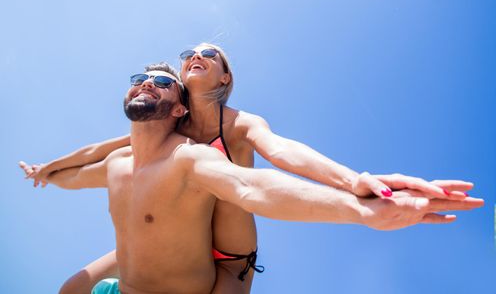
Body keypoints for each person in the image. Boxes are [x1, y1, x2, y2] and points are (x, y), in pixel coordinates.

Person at [23, 46, 475, 293]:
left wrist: (356, 192)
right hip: (161, 241)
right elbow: (96, 153)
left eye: (210, 54)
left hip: (229, 258)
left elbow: (265, 172)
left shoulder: (223, 134)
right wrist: (47, 169)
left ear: (221, 81)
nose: (195, 56)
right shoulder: (140, 146)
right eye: (188, 54)